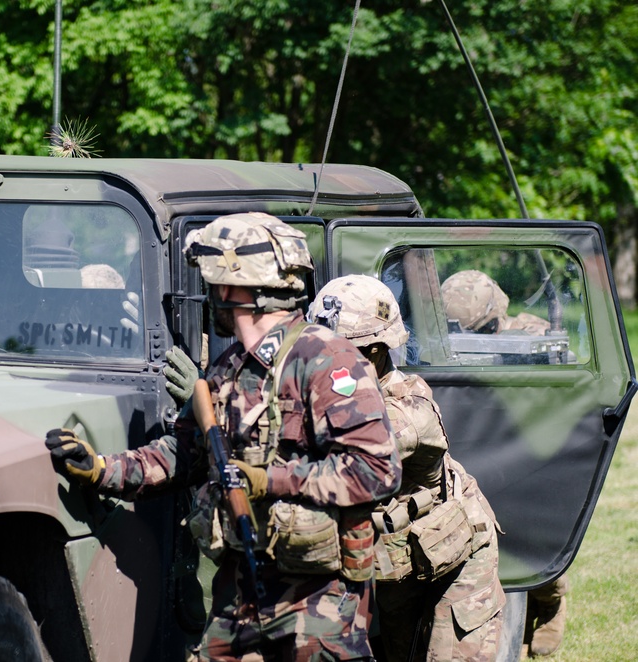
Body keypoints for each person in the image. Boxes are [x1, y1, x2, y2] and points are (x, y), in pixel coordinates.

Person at [46, 212, 401, 660]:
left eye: (215, 285)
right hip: (240, 589)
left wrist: (267, 479)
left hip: (317, 599)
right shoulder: (228, 368)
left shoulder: (325, 359)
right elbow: (182, 454)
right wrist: (101, 469)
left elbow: (377, 471)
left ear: (235, 290)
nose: (212, 297)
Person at [309, 275, 505, 661]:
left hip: (458, 562)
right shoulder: (339, 388)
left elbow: (329, 447)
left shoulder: (405, 410)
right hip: (400, 561)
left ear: (375, 351)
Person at [440, 269, 569, 658]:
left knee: (532, 536)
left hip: (527, 449)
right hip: (477, 445)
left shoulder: (533, 333)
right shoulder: (452, 339)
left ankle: (551, 602)